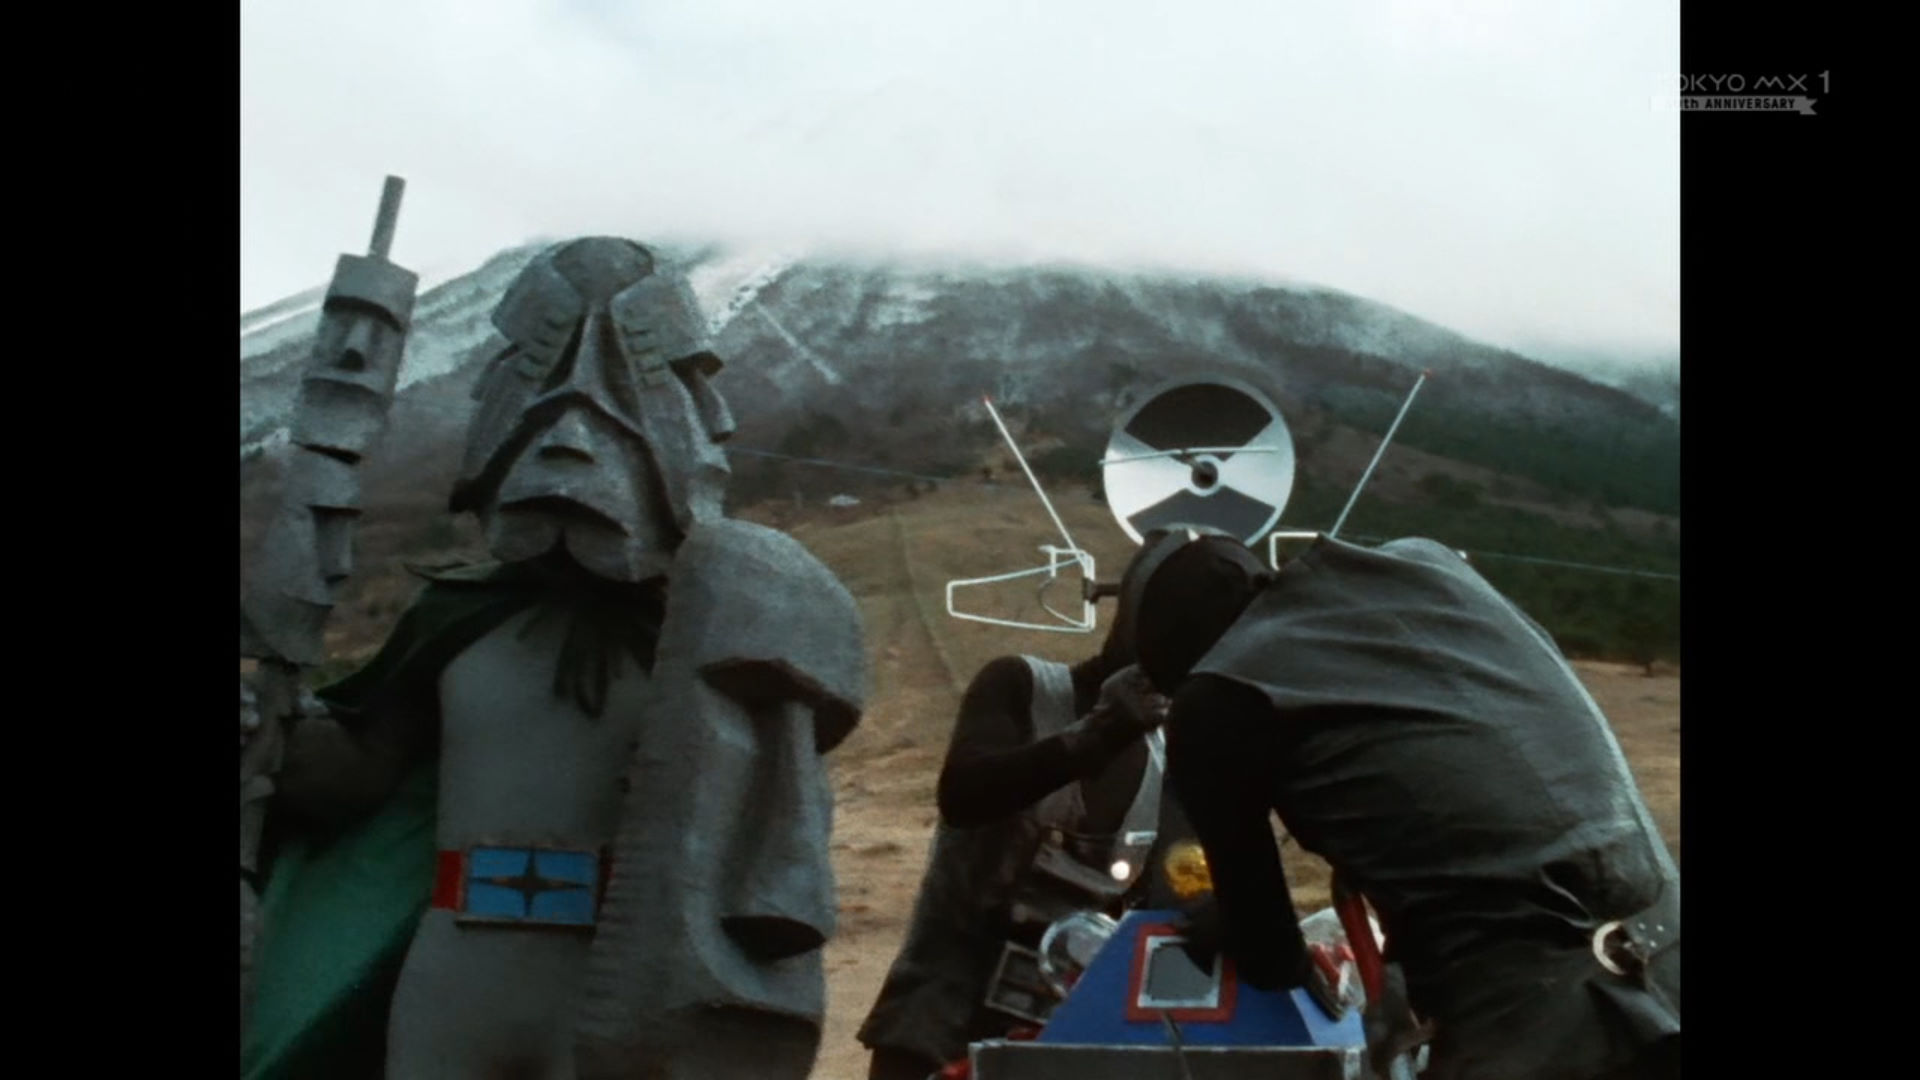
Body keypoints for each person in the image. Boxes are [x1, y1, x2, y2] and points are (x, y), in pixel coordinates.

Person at [1115, 529, 1680, 1080]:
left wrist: (1217, 919)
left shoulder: (1218, 695)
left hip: (1537, 1027)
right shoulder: (1429, 562)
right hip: (1667, 955)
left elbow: (1271, 957)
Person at [856, 539, 1195, 1080]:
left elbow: (1169, 911)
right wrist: (1095, 735)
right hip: (936, 1025)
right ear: (1130, 607)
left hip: (1058, 1042)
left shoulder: (1166, 763)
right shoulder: (1020, 685)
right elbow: (964, 795)